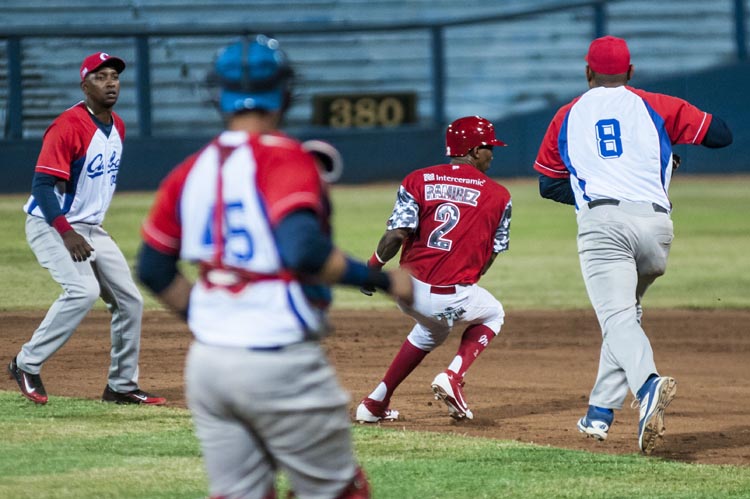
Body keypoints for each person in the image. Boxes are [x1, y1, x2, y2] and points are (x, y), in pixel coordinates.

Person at [137, 35, 413, 499]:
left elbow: (153, 267)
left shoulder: (191, 169)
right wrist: (382, 279)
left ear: (215, 92)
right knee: (339, 492)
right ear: (286, 90)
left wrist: (214, 318)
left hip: (208, 363)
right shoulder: (286, 156)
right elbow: (301, 250)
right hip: (278, 361)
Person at [533, 35, 732, 454]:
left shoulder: (567, 115)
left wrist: (597, 180)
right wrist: (650, 158)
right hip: (657, 226)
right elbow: (721, 136)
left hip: (604, 224)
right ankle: (598, 414)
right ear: (631, 72)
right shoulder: (657, 104)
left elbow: (549, 185)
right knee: (625, 315)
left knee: (618, 319)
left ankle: (648, 385)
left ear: (587, 72)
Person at [8, 52, 166, 406]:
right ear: (84, 85)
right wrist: (66, 232)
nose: (110, 82)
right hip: (52, 224)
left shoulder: (118, 126)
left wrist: (82, 229)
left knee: (130, 301)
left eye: (114, 76)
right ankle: (25, 363)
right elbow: (42, 187)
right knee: (82, 290)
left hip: (90, 228)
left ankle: (121, 386)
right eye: (100, 76)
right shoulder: (67, 125)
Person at [355, 115, 512, 423]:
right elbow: (492, 253)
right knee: (493, 313)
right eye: (489, 147)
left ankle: (375, 404)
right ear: (475, 149)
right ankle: (454, 374)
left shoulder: (418, 179)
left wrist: (374, 266)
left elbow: (397, 233)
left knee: (430, 330)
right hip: (450, 294)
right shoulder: (499, 195)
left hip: (406, 289)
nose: (492, 154)